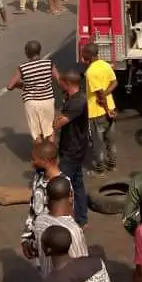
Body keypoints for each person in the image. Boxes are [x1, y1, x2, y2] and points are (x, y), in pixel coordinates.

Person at [53, 71, 90, 227]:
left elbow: (59, 123)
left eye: (62, 83)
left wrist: (55, 123)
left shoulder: (77, 102)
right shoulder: (73, 98)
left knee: (60, 185)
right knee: (77, 183)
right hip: (74, 147)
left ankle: (62, 219)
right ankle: (81, 218)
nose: (59, 85)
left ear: (68, 84)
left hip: (72, 150)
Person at [21, 139, 68, 260]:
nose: (32, 162)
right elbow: (33, 208)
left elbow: (67, 216)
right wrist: (26, 237)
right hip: (38, 237)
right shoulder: (38, 178)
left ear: (46, 161)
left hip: (55, 244)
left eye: (34, 159)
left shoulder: (64, 184)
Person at [34, 176, 88, 276]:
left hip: (48, 281)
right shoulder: (72, 230)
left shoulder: (39, 221)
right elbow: (81, 263)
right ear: (71, 195)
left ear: (47, 197)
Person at [7, 40, 58, 142]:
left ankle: (40, 155)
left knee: (37, 133)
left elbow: (10, 86)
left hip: (31, 103)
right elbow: (57, 78)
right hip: (48, 100)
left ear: (27, 52)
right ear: (39, 51)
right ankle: (51, 154)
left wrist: (23, 85)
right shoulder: (49, 63)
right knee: (50, 129)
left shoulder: (22, 68)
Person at [81, 42, 118, 174]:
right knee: (111, 140)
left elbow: (100, 94)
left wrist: (106, 109)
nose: (82, 54)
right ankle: (112, 165)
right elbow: (114, 83)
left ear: (89, 55)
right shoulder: (105, 65)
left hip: (97, 112)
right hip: (111, 108)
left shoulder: (90, 72)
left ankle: (100, 169)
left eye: (84, 52)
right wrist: (109, 106)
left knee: (98, 143)